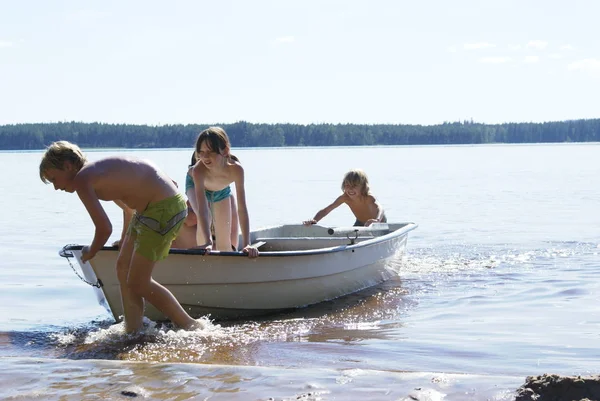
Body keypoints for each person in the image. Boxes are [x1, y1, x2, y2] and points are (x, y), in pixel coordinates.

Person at [39, 140, 200, 333]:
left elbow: (104, 228)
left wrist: (91, 250)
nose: (56, 187)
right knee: (123, 267)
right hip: (151, 207)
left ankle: (190, 325)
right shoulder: (99, 173)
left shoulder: (83, 179)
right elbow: (128, 206)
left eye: (54, 179)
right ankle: (133, 329)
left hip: (162, 209)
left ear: (67, 166)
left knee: (139, 281)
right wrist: (125, 238)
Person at [188, 127, 259, 257]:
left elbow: (242, 209)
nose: (205, 157)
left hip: (221, 189)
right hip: (196, 185)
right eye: (201, 152)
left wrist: (247, 244)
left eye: (210, 151)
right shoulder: (198, 170)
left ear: (225, 150)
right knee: (204, 216)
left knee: (224, 244)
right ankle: (202, 257)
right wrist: (208, 241)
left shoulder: (236, 170)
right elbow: (203, 209)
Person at [303, 168, 387, 227]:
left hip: (378, 223)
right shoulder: (344, 198)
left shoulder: (368, 197)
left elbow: (380, 209)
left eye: (354, 186)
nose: (350, 189)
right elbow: (326, 210)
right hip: (360, 222)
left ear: (363, 186)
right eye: (347, 185)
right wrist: (314, 220)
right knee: (351, 238)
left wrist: (377, 220)